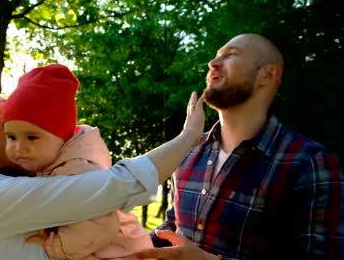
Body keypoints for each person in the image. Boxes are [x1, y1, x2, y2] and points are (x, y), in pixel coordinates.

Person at [0, 84, 205, 260]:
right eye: (4, 109)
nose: (17, 108)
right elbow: (118, 186)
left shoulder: (9, 192)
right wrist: (189, 135)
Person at [138, 33, 344, 260]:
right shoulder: (189, 150)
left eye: (231, 55)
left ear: (267, 75)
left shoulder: (310, 163)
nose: (212, 63)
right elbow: (173, 227)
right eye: (216, 56)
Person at [1, 63, 154, 259]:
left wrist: (59, 246)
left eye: (32, 137)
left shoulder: (79, 170)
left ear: (62, 138)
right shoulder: (47, 164)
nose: (18, 147)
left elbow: (102, 225)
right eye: (11, 137)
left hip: (124, 252)